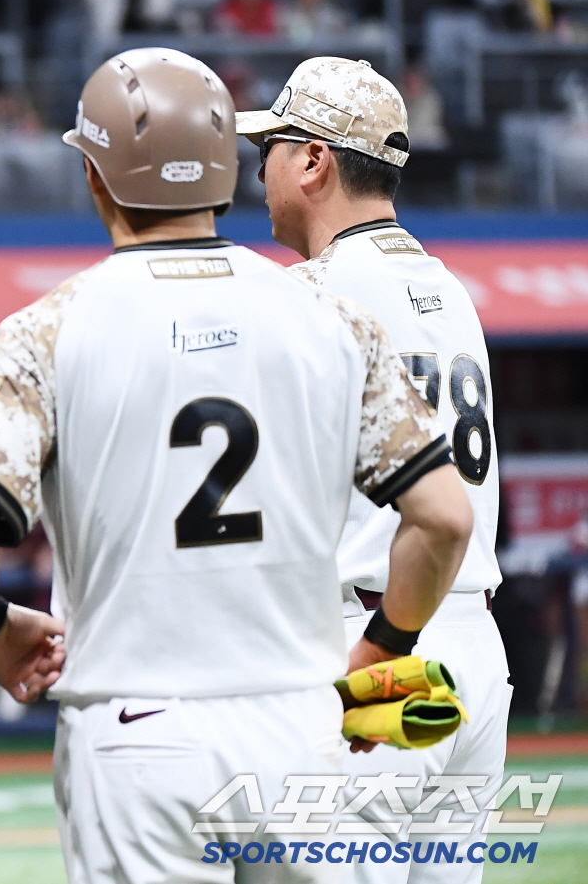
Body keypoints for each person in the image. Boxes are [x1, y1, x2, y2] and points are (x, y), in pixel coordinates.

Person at [0, 47, 473, 883]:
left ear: (97, 178)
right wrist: (383, 645)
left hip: (139, 729)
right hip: (302, 722)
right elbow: (446, 516)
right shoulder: (331, 316)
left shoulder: (46, 329)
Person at [237, 56, 510, 884]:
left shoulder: (308, 295)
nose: (261, 166)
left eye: (274, 145)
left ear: (316, 160)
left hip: (375, 640)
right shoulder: (447, 286)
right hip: (475, 646)